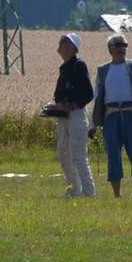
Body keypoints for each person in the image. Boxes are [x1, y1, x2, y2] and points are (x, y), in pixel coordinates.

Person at [92, 33, 132, 199]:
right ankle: (117, 194)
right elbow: (98, 96)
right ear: (110, 49)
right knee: (113, 154)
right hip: (111, 117)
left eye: (124, 45)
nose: (122, 48)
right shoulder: (103, 70)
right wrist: (94, 123)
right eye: (118, 45)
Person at [47, 32, 95, 198]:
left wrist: (70, 105)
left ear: (74, 48)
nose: (61, 45)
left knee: (78, 154)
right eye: (61, 42)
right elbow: (59, 93)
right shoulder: (64, 68)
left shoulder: (79, 66)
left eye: (65, 43)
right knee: (63, 153)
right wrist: (56, 105)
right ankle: (74, 188)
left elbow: (88, 94)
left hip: (76, 115)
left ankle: (88, 191)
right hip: (63, 117)